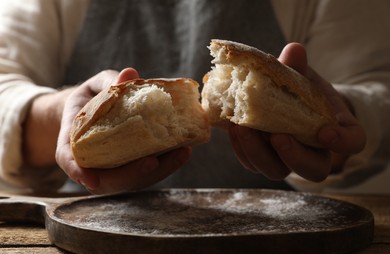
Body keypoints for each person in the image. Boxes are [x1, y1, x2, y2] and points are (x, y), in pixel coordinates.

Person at [0, 0, 388, 194]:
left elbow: (377, 87)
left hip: (273, 236)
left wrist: (332, 131)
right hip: (91, 234)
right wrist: (61, 115)